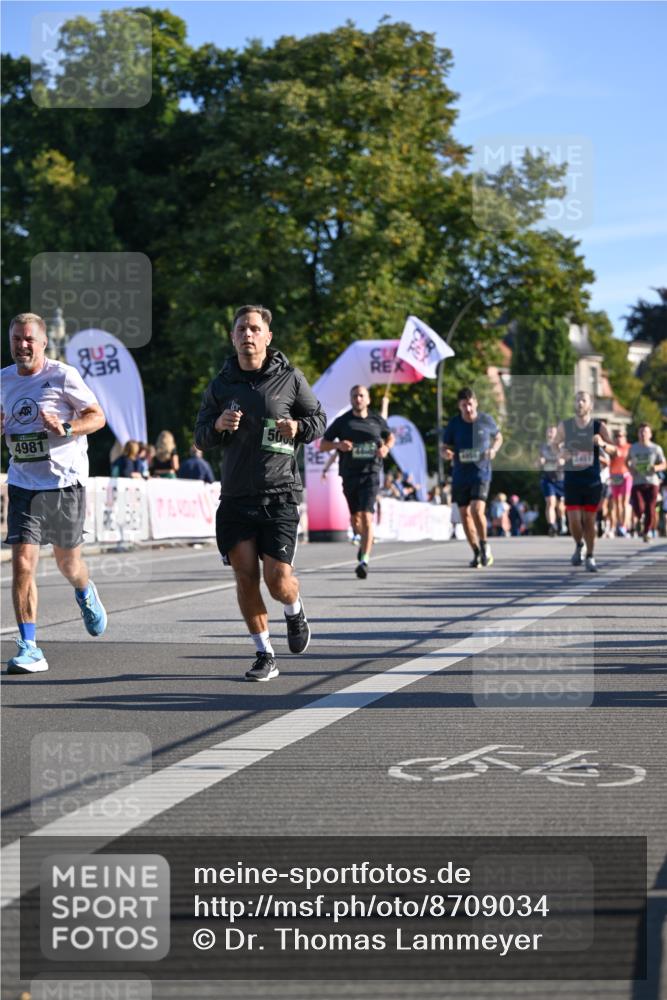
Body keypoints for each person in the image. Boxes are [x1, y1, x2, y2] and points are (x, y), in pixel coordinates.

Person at [194, 304, 326, 682]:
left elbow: (319, 420)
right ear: (233, 337)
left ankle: (294, 609)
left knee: (277, 578)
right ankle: (264, 652)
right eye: (241, 330)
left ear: (268, 337)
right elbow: (200, 436)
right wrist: (217, 424)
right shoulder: (221, 384)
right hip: (236, 497)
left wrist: (298, 427)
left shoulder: (290, 378)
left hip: (280, 493)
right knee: (245, 576)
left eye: (254, 329)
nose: (247, 335)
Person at [1, 312, 107, 674]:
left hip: (64, 483)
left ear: (43, 342)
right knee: (22, 565)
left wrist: (66, 425)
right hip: (23, 483)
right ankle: (29, 646)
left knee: (68, 564)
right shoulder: (2, 381)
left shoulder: (62, 376)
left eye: (29, 339)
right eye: (17, 339)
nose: (22, 345)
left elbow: (97, 417)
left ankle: (84, 590)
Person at [320, 385, 394, 579]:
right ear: (351, 399)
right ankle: (362, 543)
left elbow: (390, 437)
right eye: (355, 396)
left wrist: (385, 447)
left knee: (367, 517)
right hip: (349, 474)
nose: (358, 399)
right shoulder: (343, 422)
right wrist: (338, 445)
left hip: (371, 473)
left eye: (361, 396)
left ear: (368, 399)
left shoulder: (377, 420)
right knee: (356, 520)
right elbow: (323, 445)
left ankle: (365, 560)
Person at [441, 387, 503, 568]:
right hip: (460, 474)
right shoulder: (454, 424)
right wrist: (446, 453)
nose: (467, 409)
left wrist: (494, 450)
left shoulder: (486, 420)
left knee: (477, 510)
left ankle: (484, 545)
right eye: (463, 405)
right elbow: (444, 446)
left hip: (481, 473)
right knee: (464, 515)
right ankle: (475, 552)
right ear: (459, 407)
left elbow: (499, 437)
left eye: (469, 404)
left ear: (475, 402)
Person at [554, 390, 615, 572]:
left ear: (590, 405)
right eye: (577, 400)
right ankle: (579, 544)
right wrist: (560, 453)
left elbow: (615, 450)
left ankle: (590, 555)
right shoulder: (566, 426)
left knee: (589, 520)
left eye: (583, 400)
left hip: (592, 481)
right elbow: (554, 444)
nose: (579, 404)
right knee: (573, 521)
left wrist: (602, 444)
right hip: (572, 479)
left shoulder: (599, 427)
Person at [628, 424, 666, 543]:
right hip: (637, 482)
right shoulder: (633, 448)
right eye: (641, 432)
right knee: (638, 506)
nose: (643, 434)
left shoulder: (656, 448)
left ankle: (647, 532)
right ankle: (641, 517)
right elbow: (626, 461)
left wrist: (656, 467)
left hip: (652, 482)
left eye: (645, 432)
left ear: (650, 434)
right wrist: (630, 469)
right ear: (638, 434)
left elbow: (664, 464)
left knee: (650, 508)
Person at [538, 425, 566, 536]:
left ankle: (562, 520)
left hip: (561, 478)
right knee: (550, 502)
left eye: (552, 432)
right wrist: (540, 461)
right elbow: (539, 461)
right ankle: (552, 526)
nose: (550, 434)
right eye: (548, 432)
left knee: (560, 506)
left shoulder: (562, 446)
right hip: (547, 478)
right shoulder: (543, 447)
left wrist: (563, 461)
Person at [609, 428, 632, 536]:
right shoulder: (611, 448)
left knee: (624, 501)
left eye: (621, 436)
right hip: (614, 476)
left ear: (625, 437)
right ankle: (619, 524)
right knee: (617, 503)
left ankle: (624, 525)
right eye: (617, 436)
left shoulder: (630, 448)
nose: (619, 438)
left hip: (626, 476)